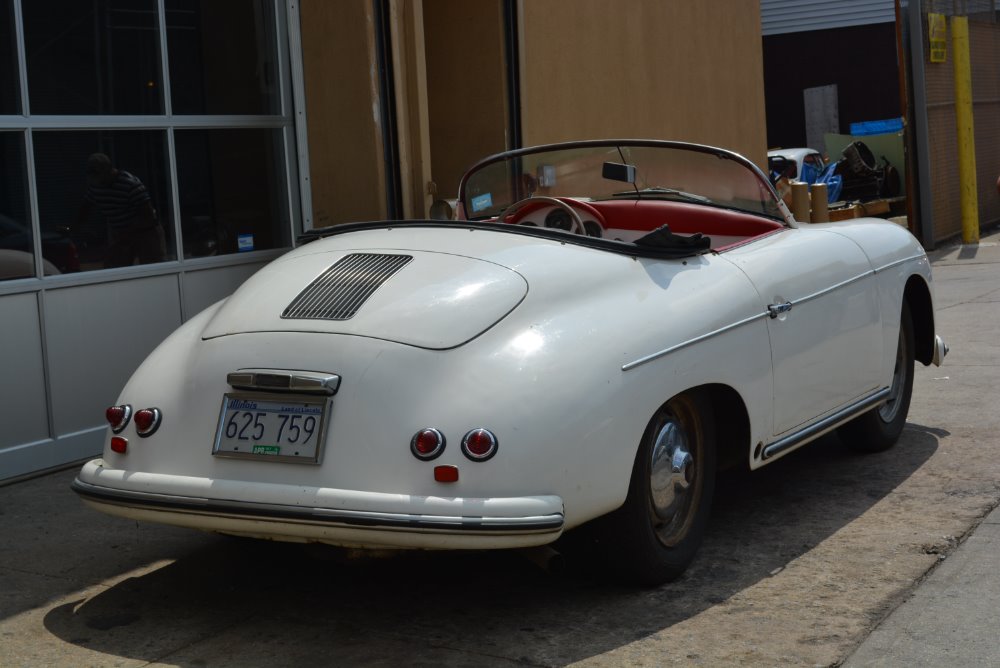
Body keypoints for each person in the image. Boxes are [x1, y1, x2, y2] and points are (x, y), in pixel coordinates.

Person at [78, 153, 166, 267]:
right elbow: (85, 208)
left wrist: (128, 232)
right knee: (114, 268)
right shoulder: (96, 186)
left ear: (108, 170)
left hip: (146, 232)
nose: (98, 180)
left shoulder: (130, 184)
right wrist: (73, 228)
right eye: (93, 175)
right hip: (121, 233)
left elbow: (148, 217)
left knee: (152, 269)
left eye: (99, 175)